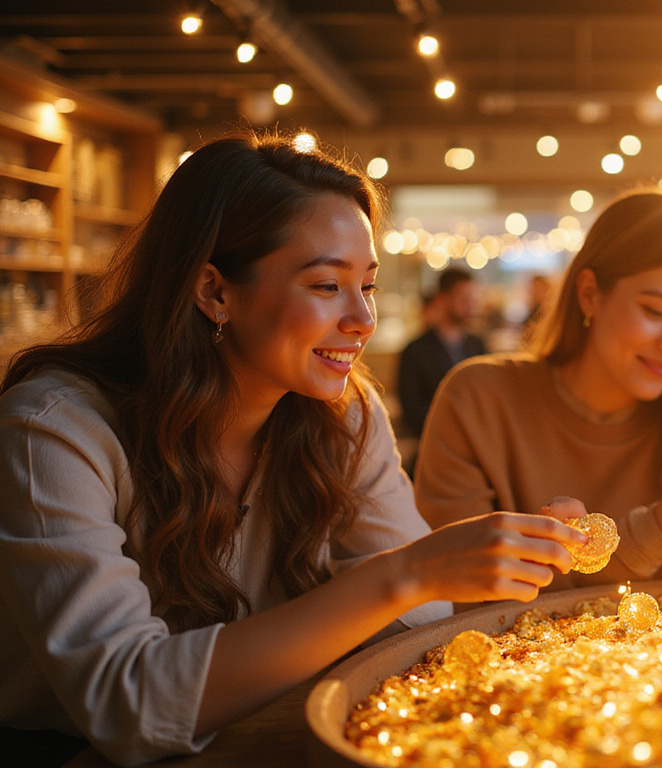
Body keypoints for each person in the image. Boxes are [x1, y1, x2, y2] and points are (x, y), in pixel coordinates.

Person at [0, 132, 583, 767]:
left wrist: (494, 566)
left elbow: (415, 630)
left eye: (368, 284)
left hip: (269, 733)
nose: (362, 318)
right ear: (215, 292)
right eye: (328, 286)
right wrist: (408, 574)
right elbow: (127, 703)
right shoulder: (54, 430)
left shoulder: (343, 415)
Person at [415, 187, 662, 590]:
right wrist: (651, 532)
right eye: (656, 311)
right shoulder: (479, 400)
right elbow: (452, 591)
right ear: (589, 295)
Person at [395, 266, 486, 443]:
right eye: (464, 299)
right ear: (443, 299)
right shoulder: (415, 350)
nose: (472, 306)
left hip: (476, 442)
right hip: (433, 441)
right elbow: (411, 409)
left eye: (473, 299)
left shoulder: (477, 345)